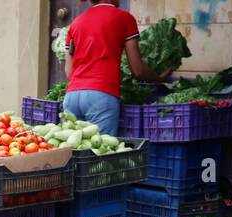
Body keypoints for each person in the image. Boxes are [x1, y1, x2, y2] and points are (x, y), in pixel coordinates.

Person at [63, 1, 170, 137]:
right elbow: (137, 70)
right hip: (101, 95)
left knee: (72, 152)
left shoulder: (76, 23)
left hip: (72, 96)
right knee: (100, 154)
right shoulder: (124, 18)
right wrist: (160, 78)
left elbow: (69, 72)